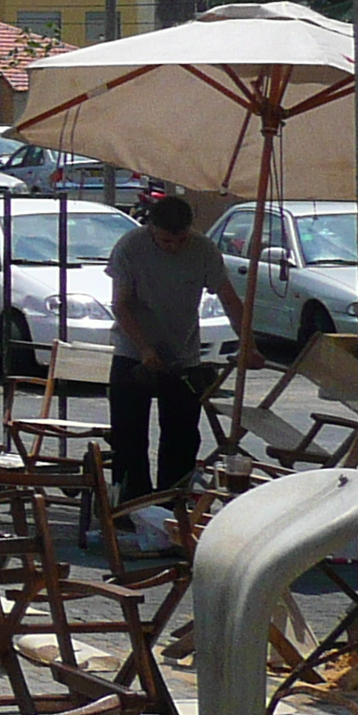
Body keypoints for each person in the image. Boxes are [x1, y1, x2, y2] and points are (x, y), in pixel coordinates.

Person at [102, 194, 247, 514]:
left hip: (183, 352)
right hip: (133, 350)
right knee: (129, 434)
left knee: (182, 434)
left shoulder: (203, 249)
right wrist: (144, 349)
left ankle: (173, 505)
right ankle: (131, 505)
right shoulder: (130, 247)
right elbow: (121, 304)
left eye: (180, 239)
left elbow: (229, 299)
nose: (174, 246)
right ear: (152, 228)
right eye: (166, 240)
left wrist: (248, 342)